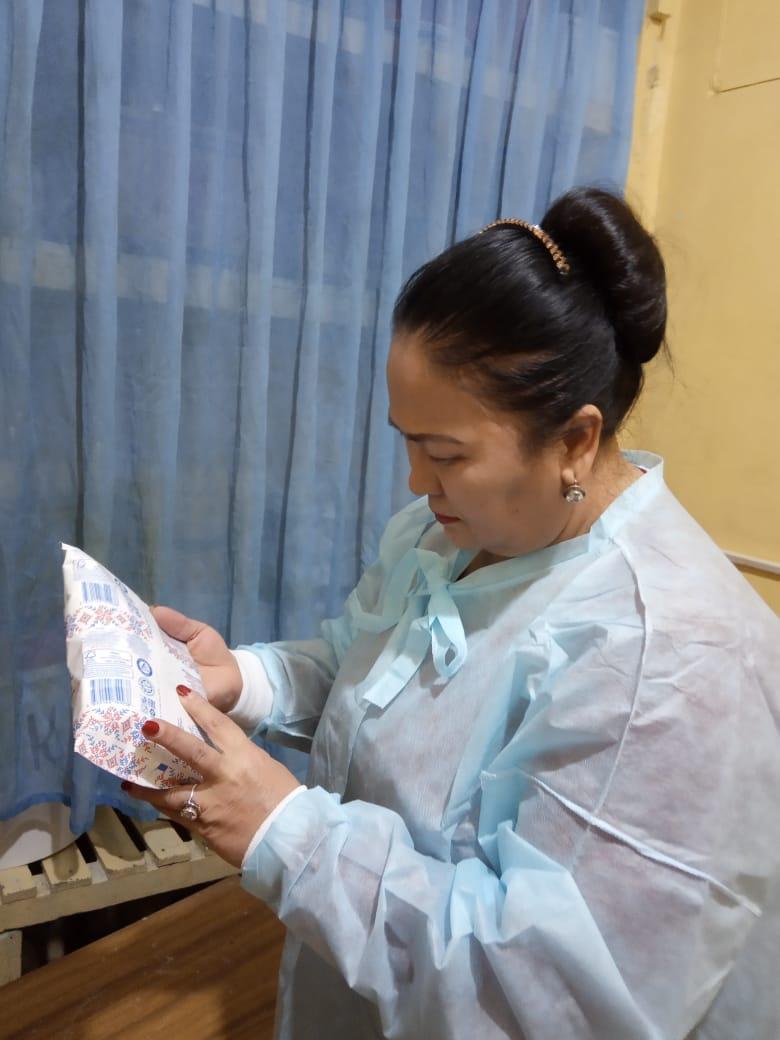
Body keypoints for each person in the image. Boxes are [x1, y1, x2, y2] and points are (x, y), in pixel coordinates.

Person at [123, 187, 780, 1039]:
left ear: (575, 440)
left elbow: (542, 997)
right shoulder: (449, 531)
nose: (414, 482)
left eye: (445, 453)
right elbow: (368, 672)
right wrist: (243, 680)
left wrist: (283, 830)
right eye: (407, 440)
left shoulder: (676, 662)